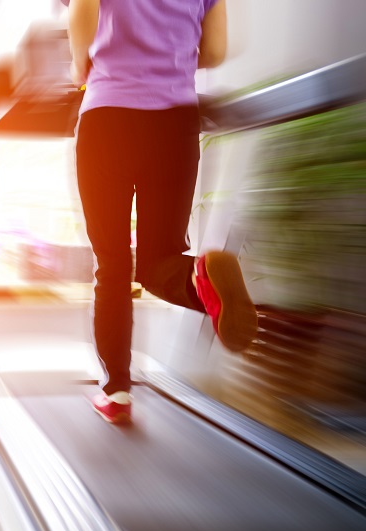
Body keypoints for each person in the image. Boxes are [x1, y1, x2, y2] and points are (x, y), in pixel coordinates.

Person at [66, 0, 257, 425]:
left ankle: (116, 389)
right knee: (160, 261)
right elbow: (215, 50)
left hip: (108, 116)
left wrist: (81, 62)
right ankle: (201, 274)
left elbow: (82, 9)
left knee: (113, 264)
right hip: (174, 124)